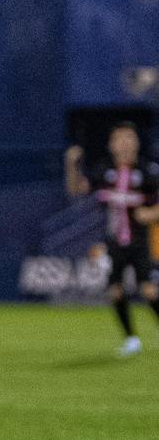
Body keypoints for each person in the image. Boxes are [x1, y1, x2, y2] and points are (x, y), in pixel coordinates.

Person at [65, 122, 159, 356]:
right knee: (115, 291)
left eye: (130, 138)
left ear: (137, 142)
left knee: (149, 291)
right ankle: (131, 339)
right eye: (120, 138)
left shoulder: (147, 171)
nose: (125, 143)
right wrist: (71, 164)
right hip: (113, 242)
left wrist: (151, 213)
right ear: (112, 144)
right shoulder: (105, 171)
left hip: (140, 242)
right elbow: (77, 189)